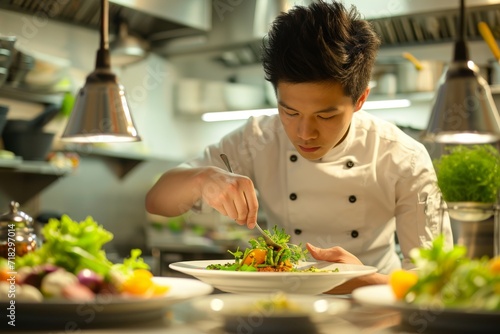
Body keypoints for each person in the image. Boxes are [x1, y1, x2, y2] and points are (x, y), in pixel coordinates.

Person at [146, 0, 453, 293]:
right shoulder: (258, 137)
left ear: (360, 100)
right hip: (283, 309)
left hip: (373, 313)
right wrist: (202, 180)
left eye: (326, 115)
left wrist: (365, 281)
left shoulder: (403, 157)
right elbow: (157, 202)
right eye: (290, 112)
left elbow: (437, 281)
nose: (305, 132)